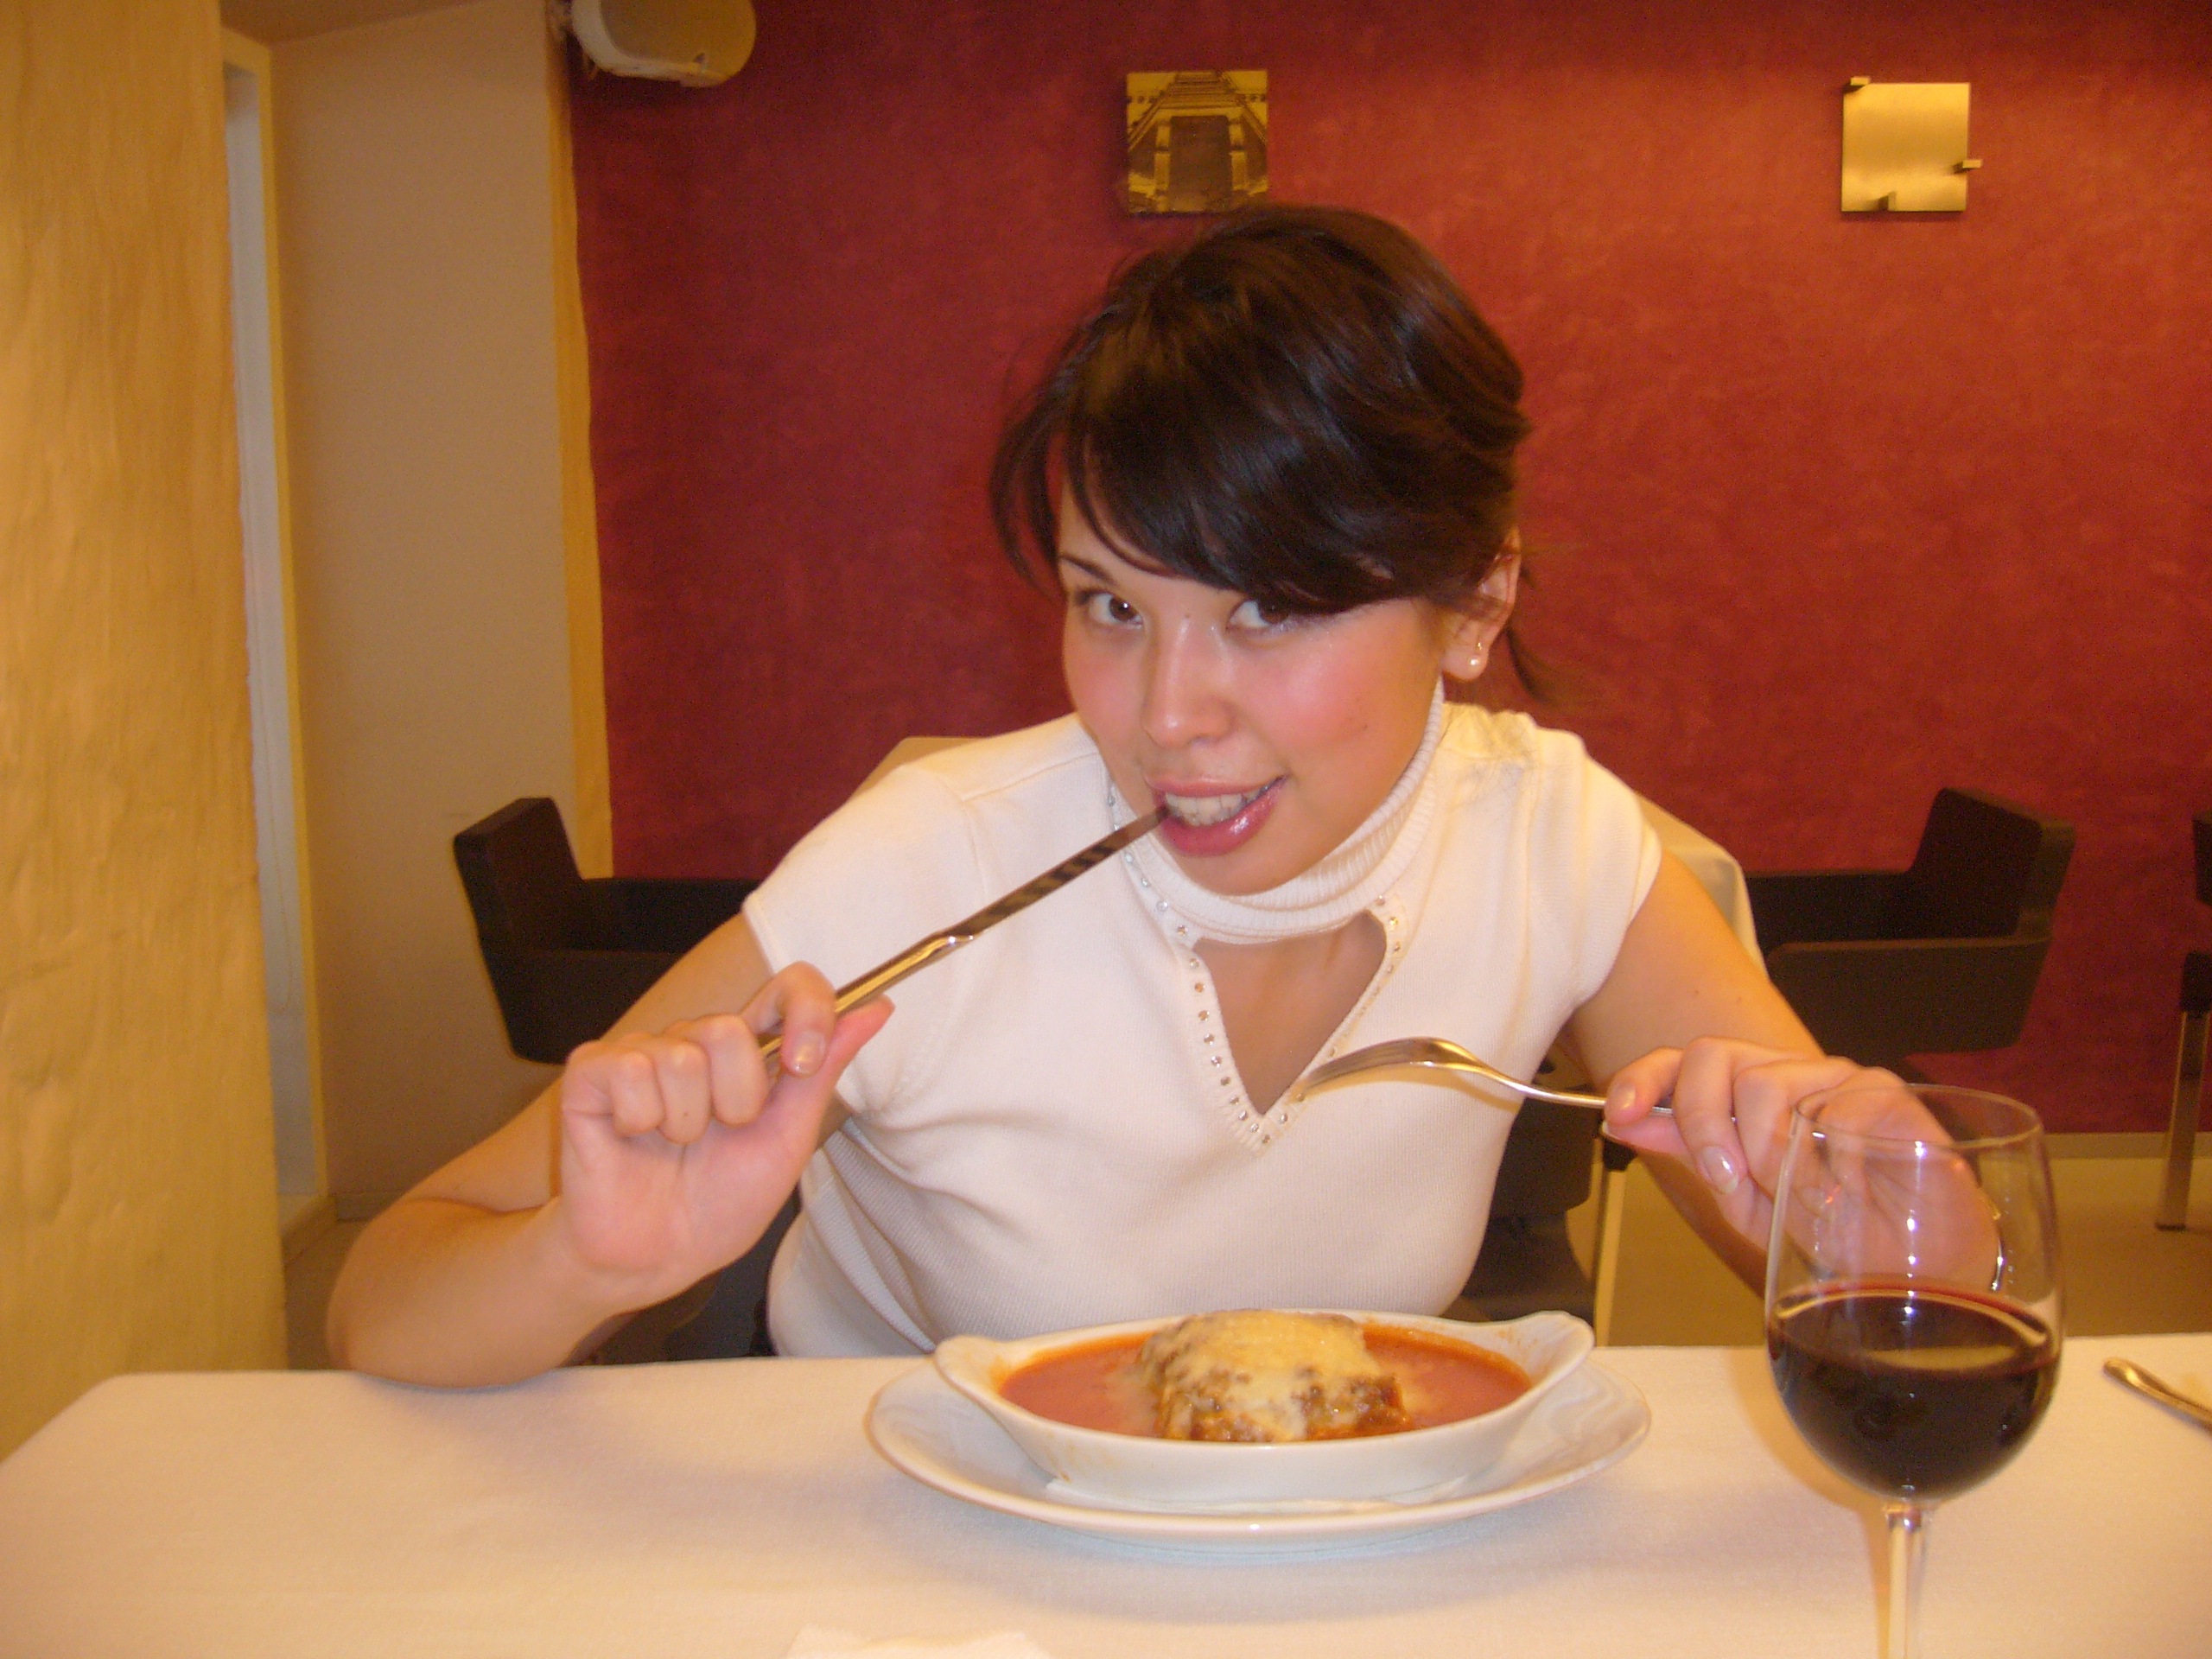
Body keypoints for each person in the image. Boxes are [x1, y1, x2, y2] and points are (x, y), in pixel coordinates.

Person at [328, 205, 1867, 1385]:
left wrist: (1846, 1204)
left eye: (1269, 608)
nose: (1164, 716)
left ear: (1473, 606)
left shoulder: (1547, 839)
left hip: (1300, 1541)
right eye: (1111, 605)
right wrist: (588, 1261)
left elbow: (1901, 1278)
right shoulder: (931, 870)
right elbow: (384, 1294)